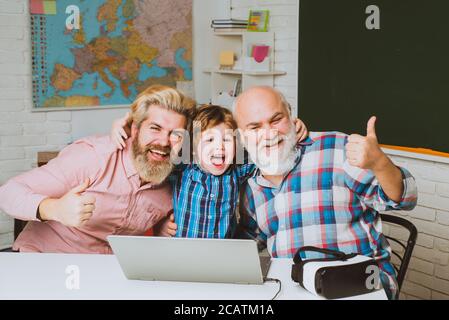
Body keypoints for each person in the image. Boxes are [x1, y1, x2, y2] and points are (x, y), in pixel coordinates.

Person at [233, 86, 418, 299]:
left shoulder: (337, 149)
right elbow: (249, 240)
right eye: (255, 127)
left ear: (291, 116)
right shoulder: (251, 187)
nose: (269, 133)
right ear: (242, 136)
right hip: (294, 288)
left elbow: (405, 199)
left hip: (361, 283)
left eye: (276, 120)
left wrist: (380, 164)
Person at [0, 85, 195, 253]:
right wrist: (55, 209)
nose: (163, 142)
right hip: (44, 260)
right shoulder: (92, 157)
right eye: (155, 128)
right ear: (135, 130)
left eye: (176, 134)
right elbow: (8, 192)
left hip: (102, 275)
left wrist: (160, 230)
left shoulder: (176, 182)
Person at [110, 104, 308, 238]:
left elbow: (272, 153)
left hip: (222, 255)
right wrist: (126, 129)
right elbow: (149, 154)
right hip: (182, 254)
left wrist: (290, 131)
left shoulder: (237, 169)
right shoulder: (183, 167)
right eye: (210, 140)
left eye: (227, 140)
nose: (219, 148)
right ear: (194, 147)